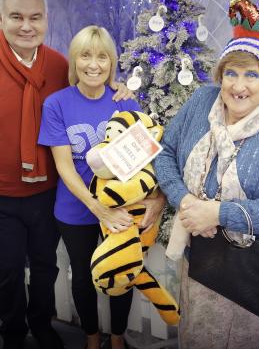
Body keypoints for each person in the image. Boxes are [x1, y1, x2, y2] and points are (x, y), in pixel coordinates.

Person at [154, 0, 259, 348]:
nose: (239, 86)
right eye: (231, 73)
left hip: (245, 272)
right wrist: (188, 203)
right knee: (194, 334)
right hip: (198, 257)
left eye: (251, 75)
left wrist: (217, 213)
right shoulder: (202, 101)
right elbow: (166, 153)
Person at [0, 0, 135, 349]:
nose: (26, 26)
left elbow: (93, 81)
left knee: (45, 266)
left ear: (45, 20)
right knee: (9, 270)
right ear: (2, 18)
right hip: (7, 193)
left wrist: (120, 87)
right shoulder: (46, 86)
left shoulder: (57, 64)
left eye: (35, 17)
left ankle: (43, 326)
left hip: (46, 192)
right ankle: (13, 334)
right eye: (16, 17)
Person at [38, 25, 165, 349]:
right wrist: (97, 207)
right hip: (76, 208)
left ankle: (118, 337)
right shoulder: (57, 104)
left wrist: (148, 199)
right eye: (85, 55)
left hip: (121, 207)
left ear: (112, 62)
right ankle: (92, 337)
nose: (94, 64)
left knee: (122, 273)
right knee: (82, 277)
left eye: (102, 57)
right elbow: (64, 166)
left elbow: (142, 163)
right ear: (74, 61)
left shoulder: (125, 102)